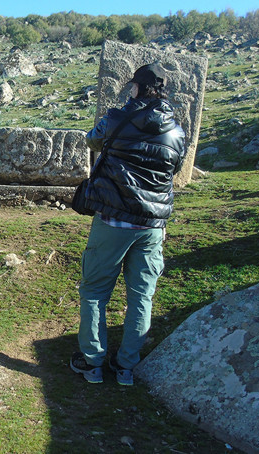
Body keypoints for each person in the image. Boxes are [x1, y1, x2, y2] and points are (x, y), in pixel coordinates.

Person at [70, 63, 186, 385]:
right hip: (152, 226)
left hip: (113, 219)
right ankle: (126, 369)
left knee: (94, 291)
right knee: (141, 296)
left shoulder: (116, 119)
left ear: (136, 88)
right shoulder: (177, 132)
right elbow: (174, 167)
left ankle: (92, 363)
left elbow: (93, 141)